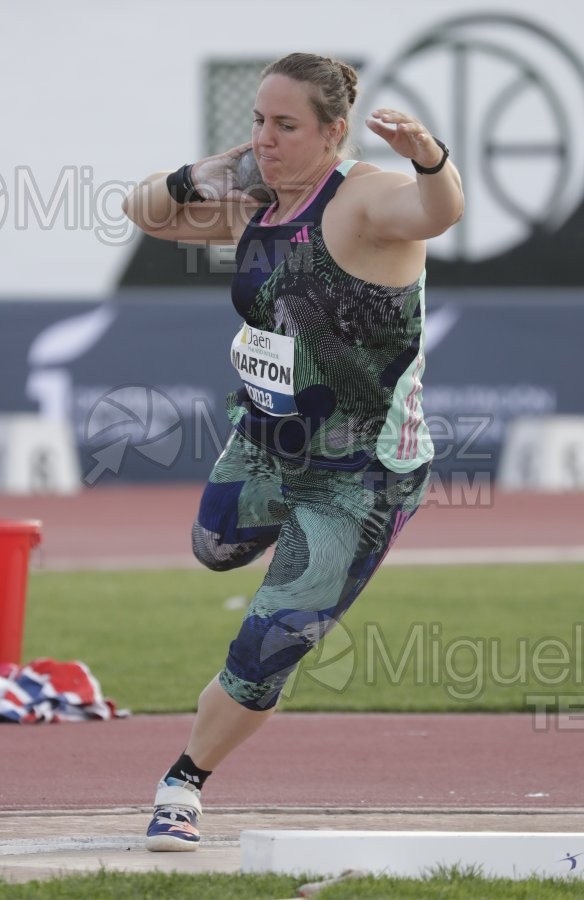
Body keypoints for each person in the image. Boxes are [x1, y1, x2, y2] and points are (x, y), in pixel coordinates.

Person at [122, 52, 464, 851]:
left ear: (332, 133)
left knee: (270, 640)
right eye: (256, 123)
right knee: (212, 547)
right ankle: (292, 557)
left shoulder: (368, 197)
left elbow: (438, 212)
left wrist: (431, 158)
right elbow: (145, 210)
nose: (265, 140)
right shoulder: (256, 205)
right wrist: (211, 166)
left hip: (360, 478)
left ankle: (184, 785)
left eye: (285, 126)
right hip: (265, 445)